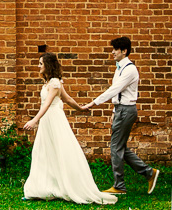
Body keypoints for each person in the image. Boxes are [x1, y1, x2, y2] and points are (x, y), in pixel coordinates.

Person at [23, 52, 117, 205]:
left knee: (59, 150)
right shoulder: (52, 82)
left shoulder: (54, 83)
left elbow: (47, 104)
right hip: (48, 121)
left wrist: (34, 120)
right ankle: (43, 187)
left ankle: (62, 186)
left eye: (41, 63)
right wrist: (80, 108)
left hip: (53, 119)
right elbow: (67, 99)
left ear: (48, 65)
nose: (38, 66)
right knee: (44, 151)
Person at [82, 36, 159, 197]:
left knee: (115, 147)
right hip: (121, 110)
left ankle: (120, 185)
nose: (112, 52)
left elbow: (114, 89)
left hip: (126, 110)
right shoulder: (120, 68)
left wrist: (93, 103)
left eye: (115, 49)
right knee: (120, 147)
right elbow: (118, 93)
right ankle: (148, 173)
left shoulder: (129, 69)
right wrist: (113, 112)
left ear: (124, 51)